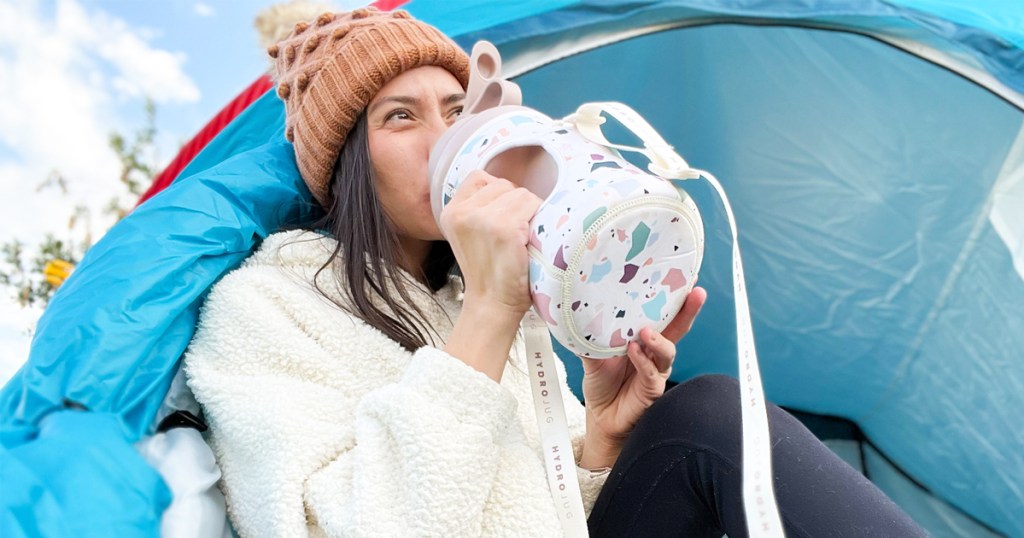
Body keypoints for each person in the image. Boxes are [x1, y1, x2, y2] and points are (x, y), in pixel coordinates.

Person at [183, 7, 926, 537]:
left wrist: (603, 439)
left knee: (697, 416)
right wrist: (487, 317)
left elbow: (553, 515)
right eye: (400, 118)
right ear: (345, 166)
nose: (449, 138)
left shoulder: (489, 298)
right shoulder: (264, 306)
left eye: (455, 109)